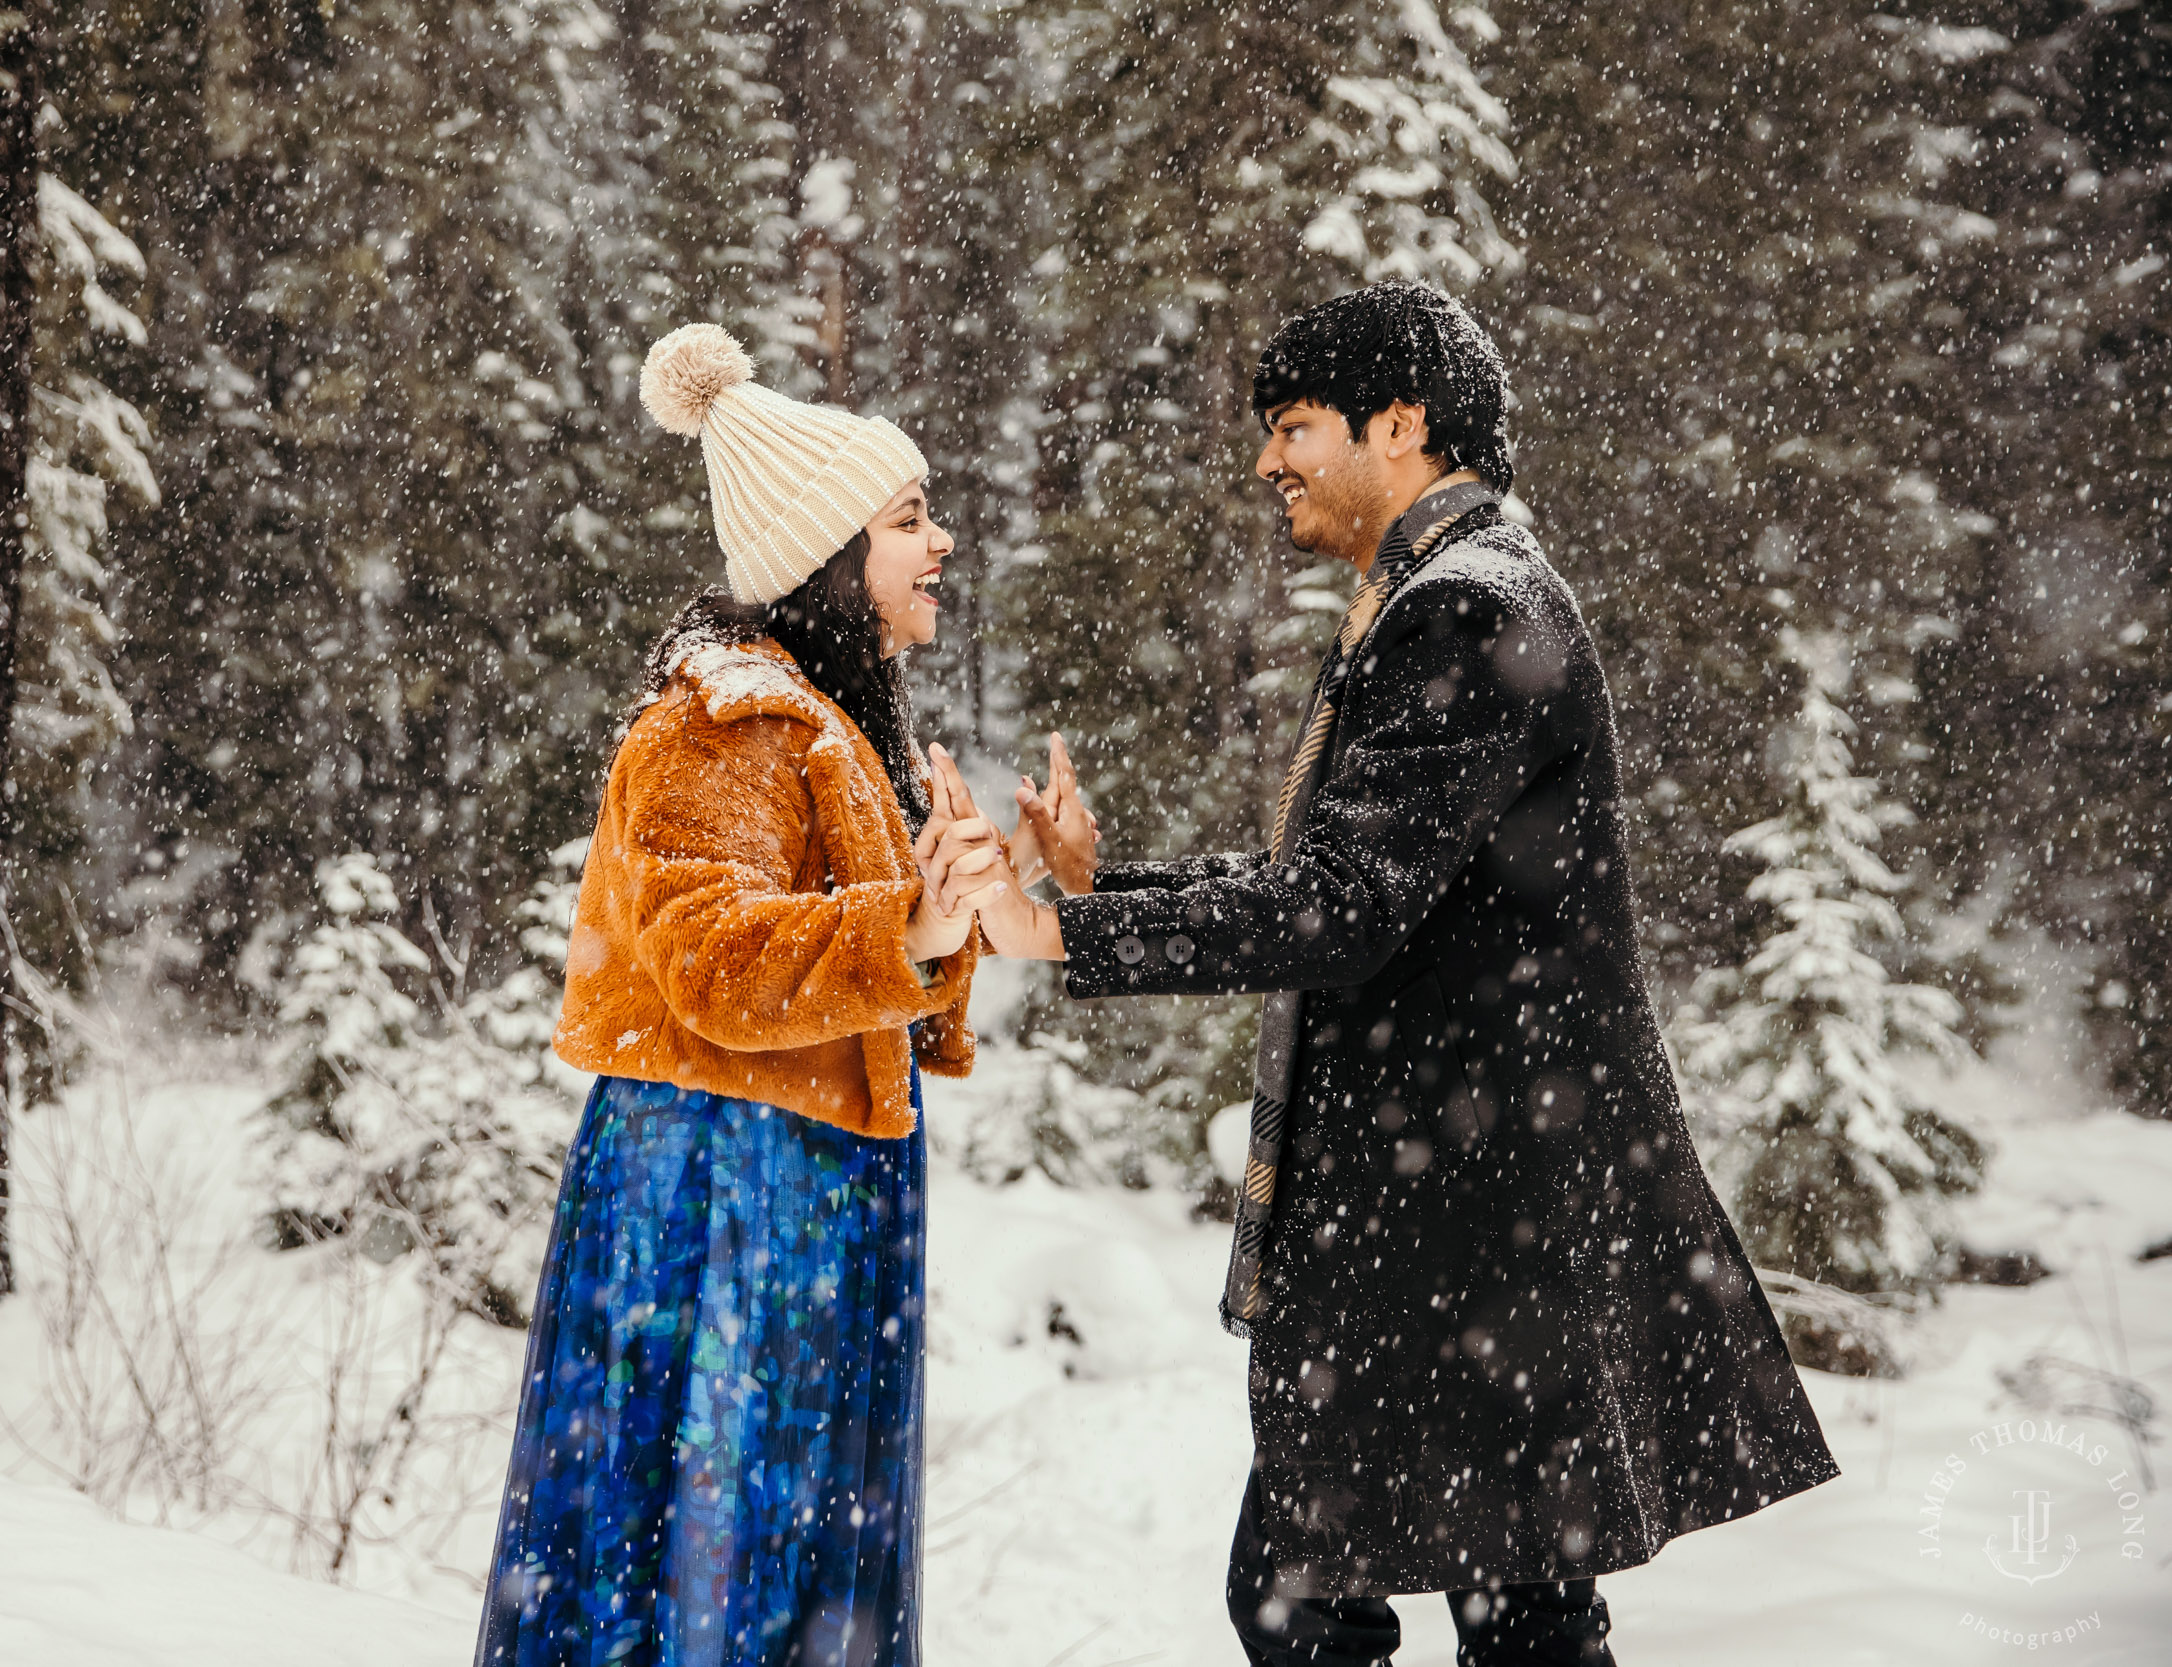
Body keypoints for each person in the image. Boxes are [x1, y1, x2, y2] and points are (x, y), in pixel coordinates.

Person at [958, 281, 1840, 1666]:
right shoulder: (1452, 596)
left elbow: (1339, 912)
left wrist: (1059, 932)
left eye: (1296, 426)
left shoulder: (1466, 614)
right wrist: (1100, 889)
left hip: (1471, 1227)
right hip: (1480, 1220)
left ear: (1404, 424)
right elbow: (1358, 893)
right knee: (1511, 1610)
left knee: (1324, 1599)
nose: (1267, 461)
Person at [474, 322, 1009, 1667]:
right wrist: (910, 922)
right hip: (720, 1194)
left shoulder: (818, 722)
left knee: (768, 1554)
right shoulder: (723, 722)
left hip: (799, 1183)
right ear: (831, 556)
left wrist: (966, 911)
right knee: (710, 1547)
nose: (939, 542)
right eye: (909, 518)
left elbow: (862, 974)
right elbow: (715, 966)